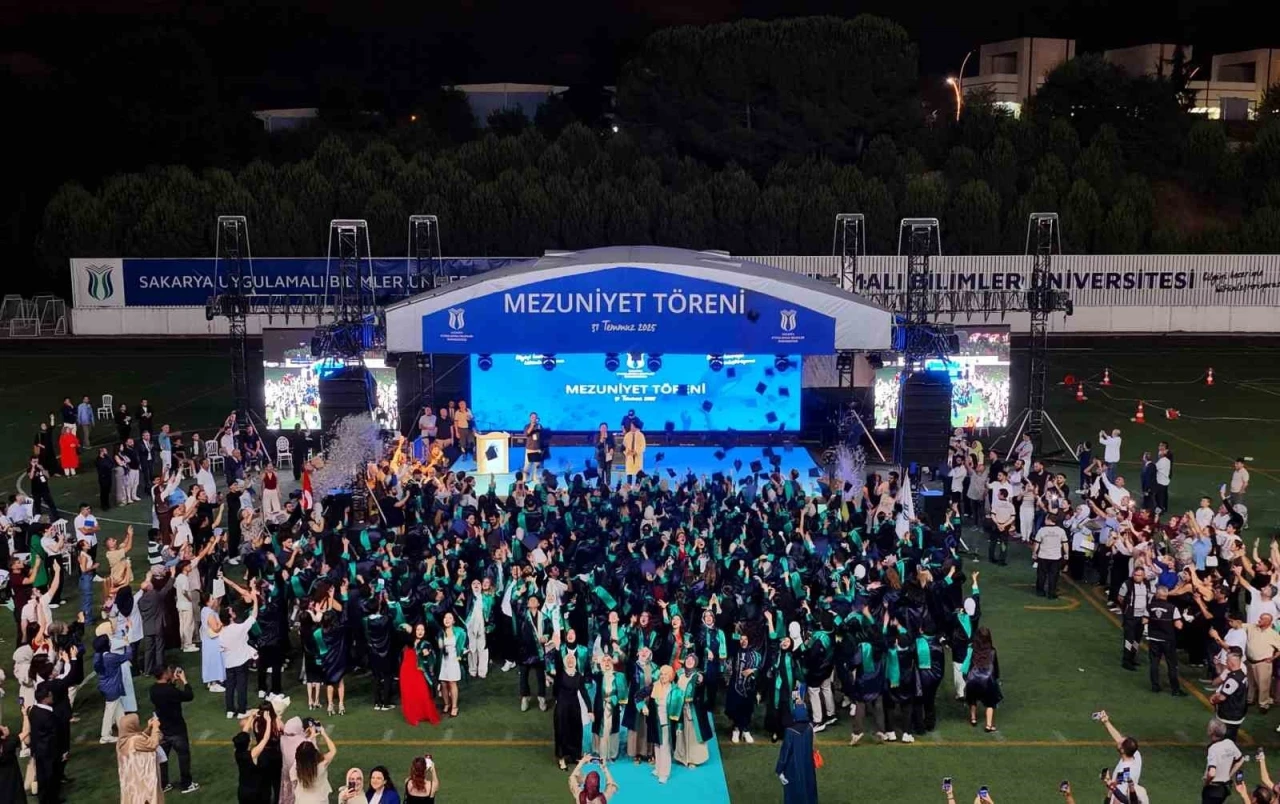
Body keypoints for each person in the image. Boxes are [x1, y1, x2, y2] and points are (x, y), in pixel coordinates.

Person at [150, 665, 198, 793]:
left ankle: (163, 784)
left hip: (162, 728)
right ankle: (186, 784)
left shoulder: (153, 689)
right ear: (164, 674)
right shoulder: (170, 691)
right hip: (177, 729)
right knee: (183, 756)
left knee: (162, 758)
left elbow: (168, 692)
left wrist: (173, 681)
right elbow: (188, 696)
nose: (170, 673)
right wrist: (184, 680)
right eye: (169, 672)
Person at [553, 651, 590, 771]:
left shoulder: (578, 676)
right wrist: (557, 650)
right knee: (561, 732)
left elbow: (584, 692)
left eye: (572, 659)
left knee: (576, 732)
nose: (570, 661)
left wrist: (590, 710)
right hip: (562, 708)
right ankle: (561, 758)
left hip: (574, 708)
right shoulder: (560, 674)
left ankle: (575, 756)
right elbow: (557, 663)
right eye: (568, 659)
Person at [116, 713, 164, 804]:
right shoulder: (135, 741)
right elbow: (153, 744)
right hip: (142, 780)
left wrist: (148, 728)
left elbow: (141, 737)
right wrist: (155, 727)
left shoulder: (122, 741)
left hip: (131, 781)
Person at [776, 703, 818, 804]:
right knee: (809, 790)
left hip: (793, 768)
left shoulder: (790, 731)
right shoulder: (809, 728)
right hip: (808, 765)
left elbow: (785, 752)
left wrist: (779, 770)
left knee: (793, 794)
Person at [965, 627, 1002, 732]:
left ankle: (973, 718)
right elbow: (995, 668)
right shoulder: (992, 651)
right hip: (987, 680)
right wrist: (996, 678)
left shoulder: (972, 649)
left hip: (973, 678)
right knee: (990, 703)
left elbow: (967, 665)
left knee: (972, 698)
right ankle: (988, 725)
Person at [234, 712, 275, 804]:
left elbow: (244, 732)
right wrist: (269, 721)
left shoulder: (237, 752)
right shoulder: (253, 754)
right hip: (256, 792)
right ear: (248, 743)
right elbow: (265, 738)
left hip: (243, 790)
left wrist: (251, 717)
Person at [1095, 711, 1143, 788]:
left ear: (1122, 750)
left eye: (1120, 743)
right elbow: (1119, 739)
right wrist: (1106, 722)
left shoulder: (1124, 770)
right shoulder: (1136, 755)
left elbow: (1115, 787)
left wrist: (1107, 779)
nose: (1118, 740)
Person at [289, 726, 337, 804]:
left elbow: (303, 755)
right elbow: (333, 751)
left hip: (301, 801)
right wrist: (323, 733)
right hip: (319, 800)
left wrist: (311, 737)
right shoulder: (321, 765)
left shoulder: (295, 768)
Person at [1209, 647, 1248, 741]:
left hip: (1229, 715)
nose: (1226, 662)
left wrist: (1214, 700)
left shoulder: (1233, 679)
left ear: (1231, 662)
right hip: (1237, 712)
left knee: (1225, 739)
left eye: (1227, 660)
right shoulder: (1241, 674)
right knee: (1231, 738)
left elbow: (1222, 697)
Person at [1204, 718, 1244, 804]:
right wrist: (1229, 775)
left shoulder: (1213, 748)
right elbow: (1240, 760)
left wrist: (1207, 782)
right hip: (1225, 788)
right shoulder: (1229, 743)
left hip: (1213, 789)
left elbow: (1212, 773)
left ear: (1211, 732)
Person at [1032, 515, 1068, 599]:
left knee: (1041, 574)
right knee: (1053, 576)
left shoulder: (1042, 530)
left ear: (1048, 520)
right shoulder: (1061, 531)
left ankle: (1040, 591)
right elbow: (1065, 543)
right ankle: (1051, 593)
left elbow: (1037, 543)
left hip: (1043, 556)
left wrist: (1034, 553)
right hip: (1056, 557)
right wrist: (1066, 554)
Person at [437, 610, 465, 717]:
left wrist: (461, 654)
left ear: (453, 621)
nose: (447, 620)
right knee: (443, 683)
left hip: (454, 660)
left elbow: (463, 644)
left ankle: (454, 707)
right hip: (443, 661)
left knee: (452, 683)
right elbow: (439, 647)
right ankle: (447, 704)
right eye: (445, 617)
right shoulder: (441, 632)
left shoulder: (459, 632)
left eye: (450, 618)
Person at [523, 412, 545, 479]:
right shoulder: (527, 426)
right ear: (530, 418)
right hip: (530, 448)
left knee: (536, 465)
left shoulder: (539, 426)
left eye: (535, 417)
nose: (534, 418)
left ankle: (534, 477)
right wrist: (532, 426)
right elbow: (526, 434)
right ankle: (525, 478)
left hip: (537, 448)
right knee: (527, 465)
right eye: (532, 417)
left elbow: (542, 436)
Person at [593, 424, 616, 489]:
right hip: (600, 457)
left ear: (607, 429)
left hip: (608, 456)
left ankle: (608, 485)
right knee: (601, 471)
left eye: (605, 428)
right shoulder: (597, 435)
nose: (603, 429)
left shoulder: (610, 435)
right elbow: (596, 446)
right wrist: (601, 440)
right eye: (602, 428)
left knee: (608, 471)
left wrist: (612, 449)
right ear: (599, 429)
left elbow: (613, 444)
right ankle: (602, 485)